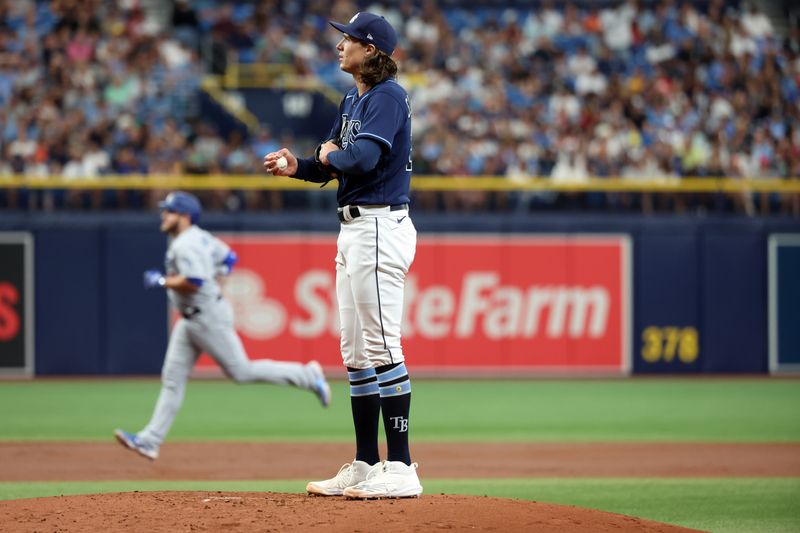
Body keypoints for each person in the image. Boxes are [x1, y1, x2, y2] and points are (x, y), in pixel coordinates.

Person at [263, 12, 422, 499]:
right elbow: (331, 164)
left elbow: (363, 159)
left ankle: (401, 467)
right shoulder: (354, 97)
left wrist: (331, 155)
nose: (340, 45)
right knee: (354, 352)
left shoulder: (388, 97)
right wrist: (299, 167)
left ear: (371, 50)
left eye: (349, 38)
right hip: (354, 227)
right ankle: (366, 462)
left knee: (381, 346)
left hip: (379, 224)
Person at [114, 191, 330, 460]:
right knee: (172, 380)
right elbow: (229, 258)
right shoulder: (200, 236)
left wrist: (162, 281)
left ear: (184, 216)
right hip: (192, 319)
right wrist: (220, 276)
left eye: (168, 211)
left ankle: (308, 376)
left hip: (207, 317)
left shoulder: (185, 245)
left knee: (242, 371)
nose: (163, 215)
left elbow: (194, 280)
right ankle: (150, 440)